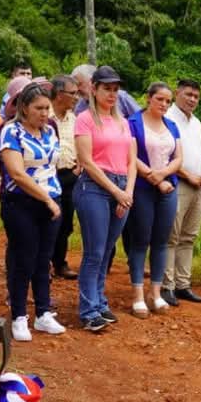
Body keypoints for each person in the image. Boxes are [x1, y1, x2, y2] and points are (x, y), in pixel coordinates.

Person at [0, 82, 65, 341]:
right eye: (39, 108)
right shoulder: (11, 131)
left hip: (51, 200)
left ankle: (43, 312)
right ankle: (18, 315)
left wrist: (52, 198)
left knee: (43, 259)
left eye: (47, 108)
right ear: (24, 108)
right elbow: (16, 173)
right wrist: (46, 199)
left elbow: (52, 165)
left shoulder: (50, 131)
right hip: (21, 202)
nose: (44, 113)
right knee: (23, 259)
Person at [73, 65, 137, 332]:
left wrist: (127, 192)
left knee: (107, 249)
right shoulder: (85, 119)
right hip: (95, 187)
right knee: (95, 251)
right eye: (106, 88)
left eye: (115, 89)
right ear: (94, 89)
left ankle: (99, 301)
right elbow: (87, 161)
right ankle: (88, 309)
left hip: (121, 187)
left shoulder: (123, 122)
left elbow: (132, 161)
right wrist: (117, 191)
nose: (112, 94)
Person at [127, 82, 182, 317]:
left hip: (168, 188)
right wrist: (155, 178)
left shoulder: (171, 125)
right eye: (160, 99)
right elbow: (130, 156)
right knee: (140, 240)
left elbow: (178, 157)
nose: (164, 104)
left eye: (168, 101)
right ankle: (138, 295)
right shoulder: (132, 123)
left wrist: (164, 175)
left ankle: (156, 293)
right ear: (148, 98)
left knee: (161, 241)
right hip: (142, 187)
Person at [162, 79, 201, 305]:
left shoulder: (197, 122)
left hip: (198, 185)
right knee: (171, 235)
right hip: (178, 182)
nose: (192, 99)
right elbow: (165, 156)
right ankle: (167, 285)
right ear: (177, 93)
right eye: (188, 94)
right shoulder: (168, 118)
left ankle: (183, 284)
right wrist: (188, 175)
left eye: (196, 96)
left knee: (189, 236)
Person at [49, 75, 80, 280]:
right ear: (60, 94)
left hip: (70, 175)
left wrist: (78, 168)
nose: (76, 97)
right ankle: (43, 263)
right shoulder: (45, 114)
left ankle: (59, 262)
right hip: (48, 175)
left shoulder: (74, 119)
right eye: (73, 93)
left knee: (66, 222)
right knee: (48, 219)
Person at [72, 63, 140, 118]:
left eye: (79, 84)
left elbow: (141, 119)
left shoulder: (122, 97)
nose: (77, 89)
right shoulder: (79, 108)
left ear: (91, 81)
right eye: (107, 89)